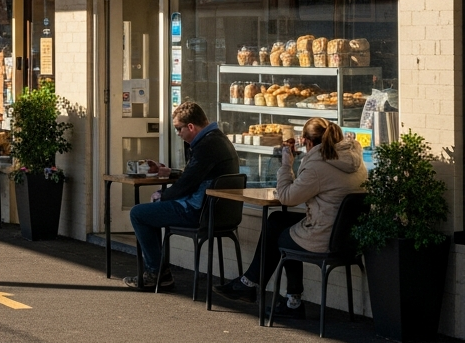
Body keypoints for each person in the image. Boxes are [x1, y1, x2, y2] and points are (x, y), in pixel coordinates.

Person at [218, 117, 367, 318]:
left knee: (283, 236)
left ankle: (276, 295)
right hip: (349, 239)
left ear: (307, 141)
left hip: (324, 238)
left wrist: (287, 165)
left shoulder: (318, 165)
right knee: (278, 220)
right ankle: (255, 285)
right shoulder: (355, 161)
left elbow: (288, 198)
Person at [124, 101, 239, 290]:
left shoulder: (206, 146)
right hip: (222, 214)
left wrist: (163, 195)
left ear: (191, 127)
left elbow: (187, 184)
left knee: (139, 213)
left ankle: (156, 273)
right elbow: (197, 174)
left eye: (179, 129)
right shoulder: (219, 139)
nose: (178, 134)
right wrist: (171, 172)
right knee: (151, 213)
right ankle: (159, 273)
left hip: (199, 212)